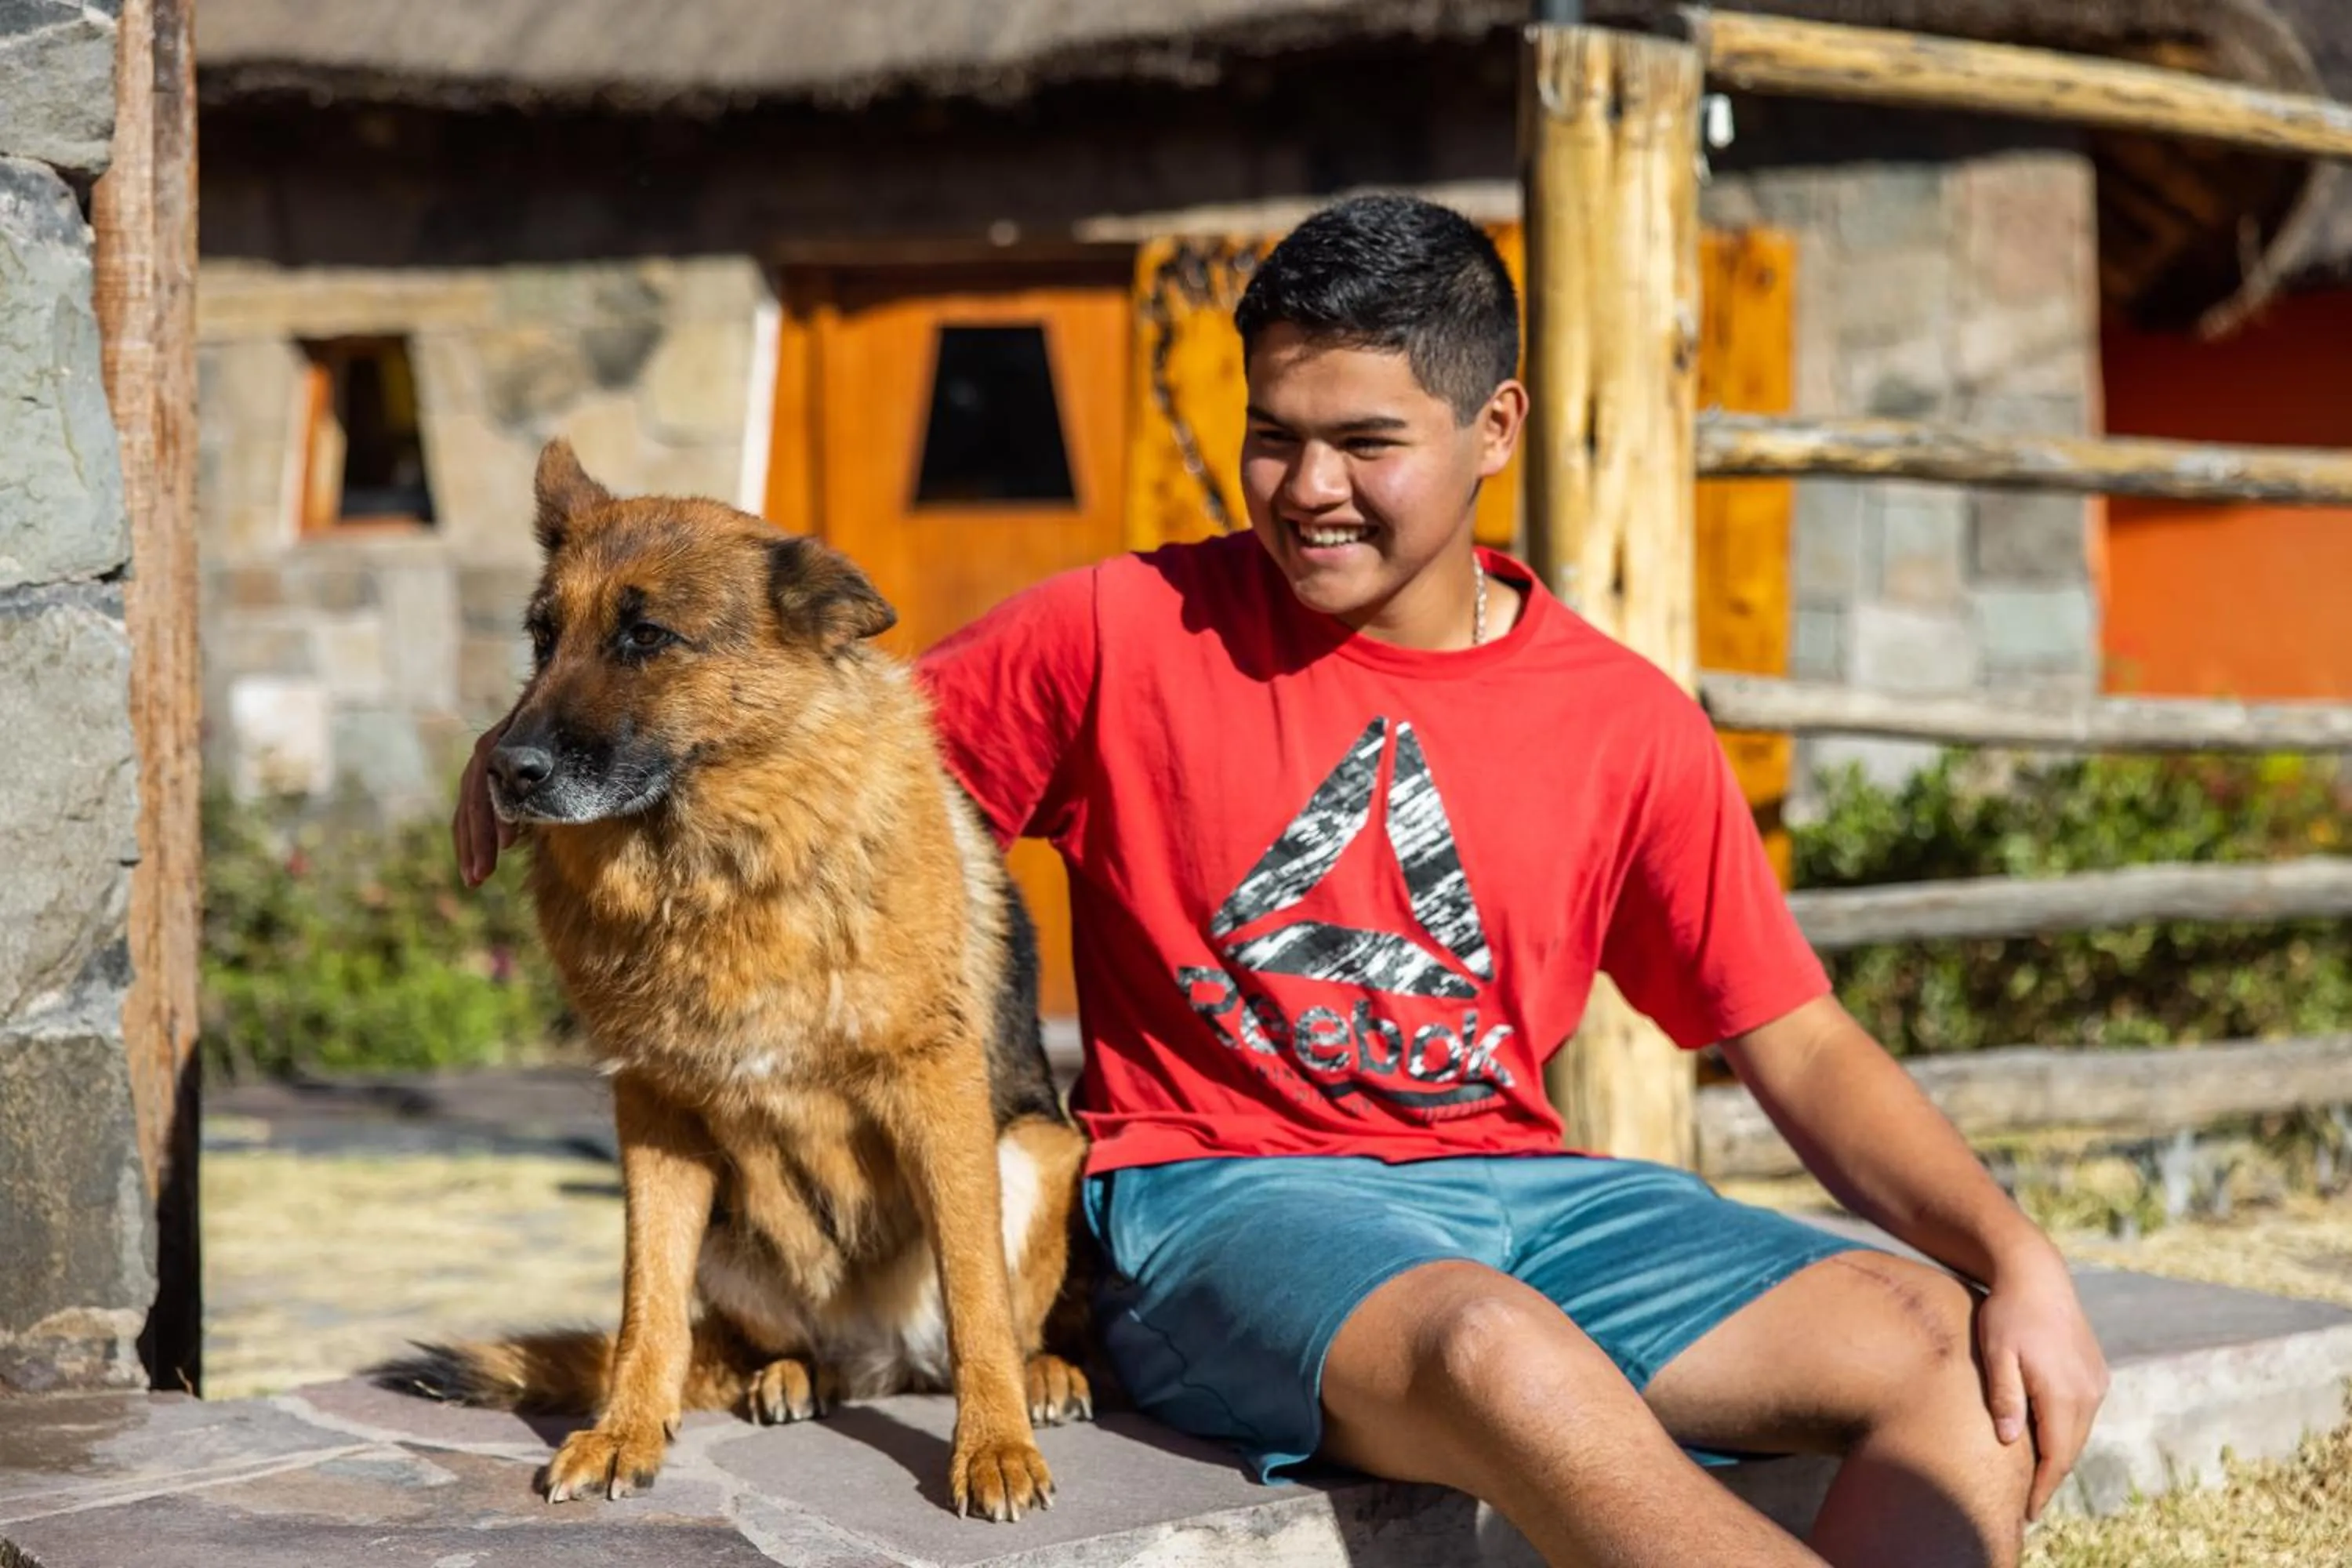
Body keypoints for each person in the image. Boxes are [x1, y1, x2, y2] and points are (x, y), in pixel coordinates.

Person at [453, 194, 2107, 1567]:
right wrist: (528, 751)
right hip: (1216, 1204)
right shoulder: (1115, 630)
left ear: (1495, 427)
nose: (1308, 489)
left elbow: (1795, 1038)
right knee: (1497, 1355)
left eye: (1366, 441)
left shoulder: (1625, 719)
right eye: (1274, 439)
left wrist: (2015, 1254)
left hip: (1524, 1190)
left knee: (1945, 1347)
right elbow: (802, 718)